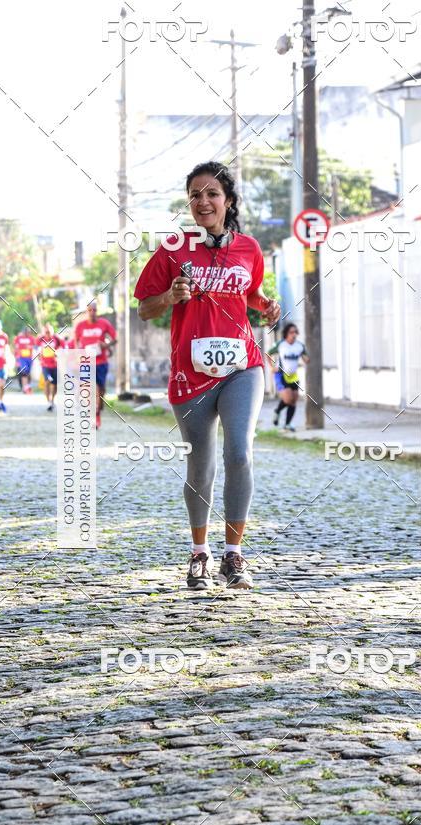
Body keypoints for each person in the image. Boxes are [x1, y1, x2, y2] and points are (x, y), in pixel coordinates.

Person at [135, 160, 280, 590]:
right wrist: (169, 296)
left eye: (212, 194)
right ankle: (200, 552)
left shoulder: (249, 248)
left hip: (242, 367)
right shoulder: (173, 247)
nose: (203, 201)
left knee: (240, 453)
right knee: (200, 466)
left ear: (228, 201)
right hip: (190, 373)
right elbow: (144, 307)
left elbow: (251, 294)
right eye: (195, 195)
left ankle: (234, 556)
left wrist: (266, 306)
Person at [74, 302, 117, 428]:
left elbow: (115, 339)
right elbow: (76, 342)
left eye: (94, 310)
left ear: (97, 311)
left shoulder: (104, 323)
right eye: (90, 310)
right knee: (90, 388)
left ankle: (98, 409)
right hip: (86, 362)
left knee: (101, 390)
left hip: (101, 362)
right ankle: (94, 415)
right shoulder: (80, 326)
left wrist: (106, 345)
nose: (92, 312)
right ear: (86, 312)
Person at [269, 323, 309, 432]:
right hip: (282, 374)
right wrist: (272, 367)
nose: (294, 334)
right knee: (287, 399)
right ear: (286, 333)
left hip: (293, 376)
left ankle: (287, 424)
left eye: (295, 332)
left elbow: (306, 357)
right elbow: (268, 354)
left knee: (293, 400)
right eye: (291, 332)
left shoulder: (299, 346)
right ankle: (277, 411)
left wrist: (306, 359)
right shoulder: (280, 344)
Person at [36, 323, 63, 412]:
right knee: (47, 381)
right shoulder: (40, 339)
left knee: (54, 384)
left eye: (49, 331)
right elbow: (36, 349)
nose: (47, 333)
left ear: (52, 331)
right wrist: (39, 356)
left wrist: (58, 353)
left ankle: (52, 400)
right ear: (44, 332)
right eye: (46, 332)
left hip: (55, 365)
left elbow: (63, 347)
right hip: (45, 365)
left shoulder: (56, 338)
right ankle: (48, 401)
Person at [13, 326, 36, 393]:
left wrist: (30, 347)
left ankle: (27, 387)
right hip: (22, 358)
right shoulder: (19, 338)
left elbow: (35, 347)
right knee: (24, 372)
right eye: (25, 332)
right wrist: (17, 359)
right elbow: (16, 348)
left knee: (28, 373)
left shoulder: (32, 338)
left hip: (29, 358)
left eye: (28, 332)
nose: (26, 333)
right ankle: (24, 388)